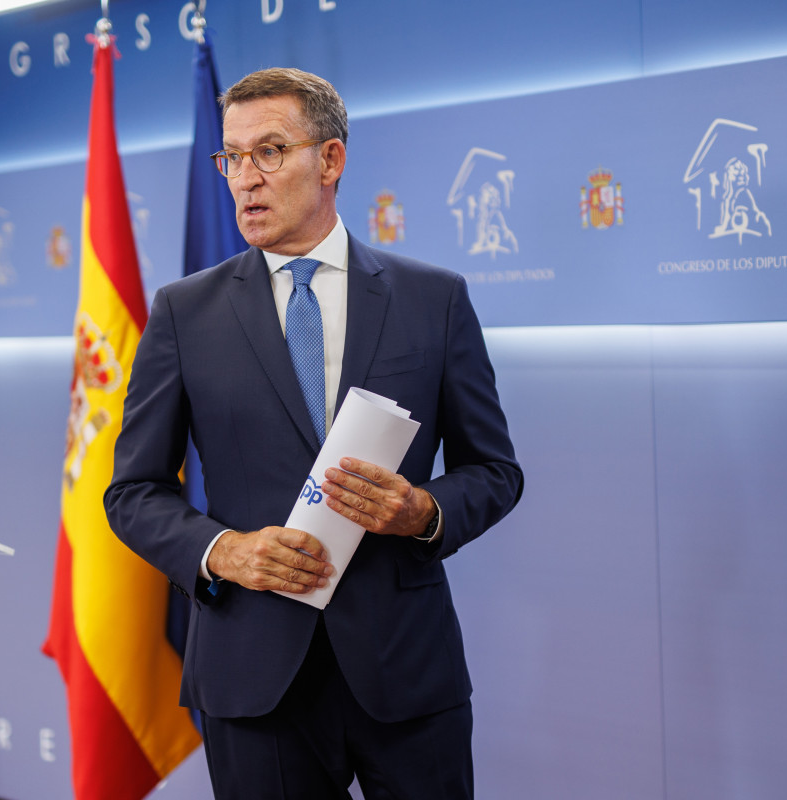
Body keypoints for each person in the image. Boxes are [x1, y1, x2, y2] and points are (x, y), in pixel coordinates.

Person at [104, 67, 522, 800]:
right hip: (252, 676)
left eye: (269, 151)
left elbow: (494, 471)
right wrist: (221, 550)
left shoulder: (435, 299)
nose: (245, 179)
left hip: (406, 671)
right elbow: (132, 492)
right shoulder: (182, 314)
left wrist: (423, 512)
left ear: (330, 159)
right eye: (231, 157)